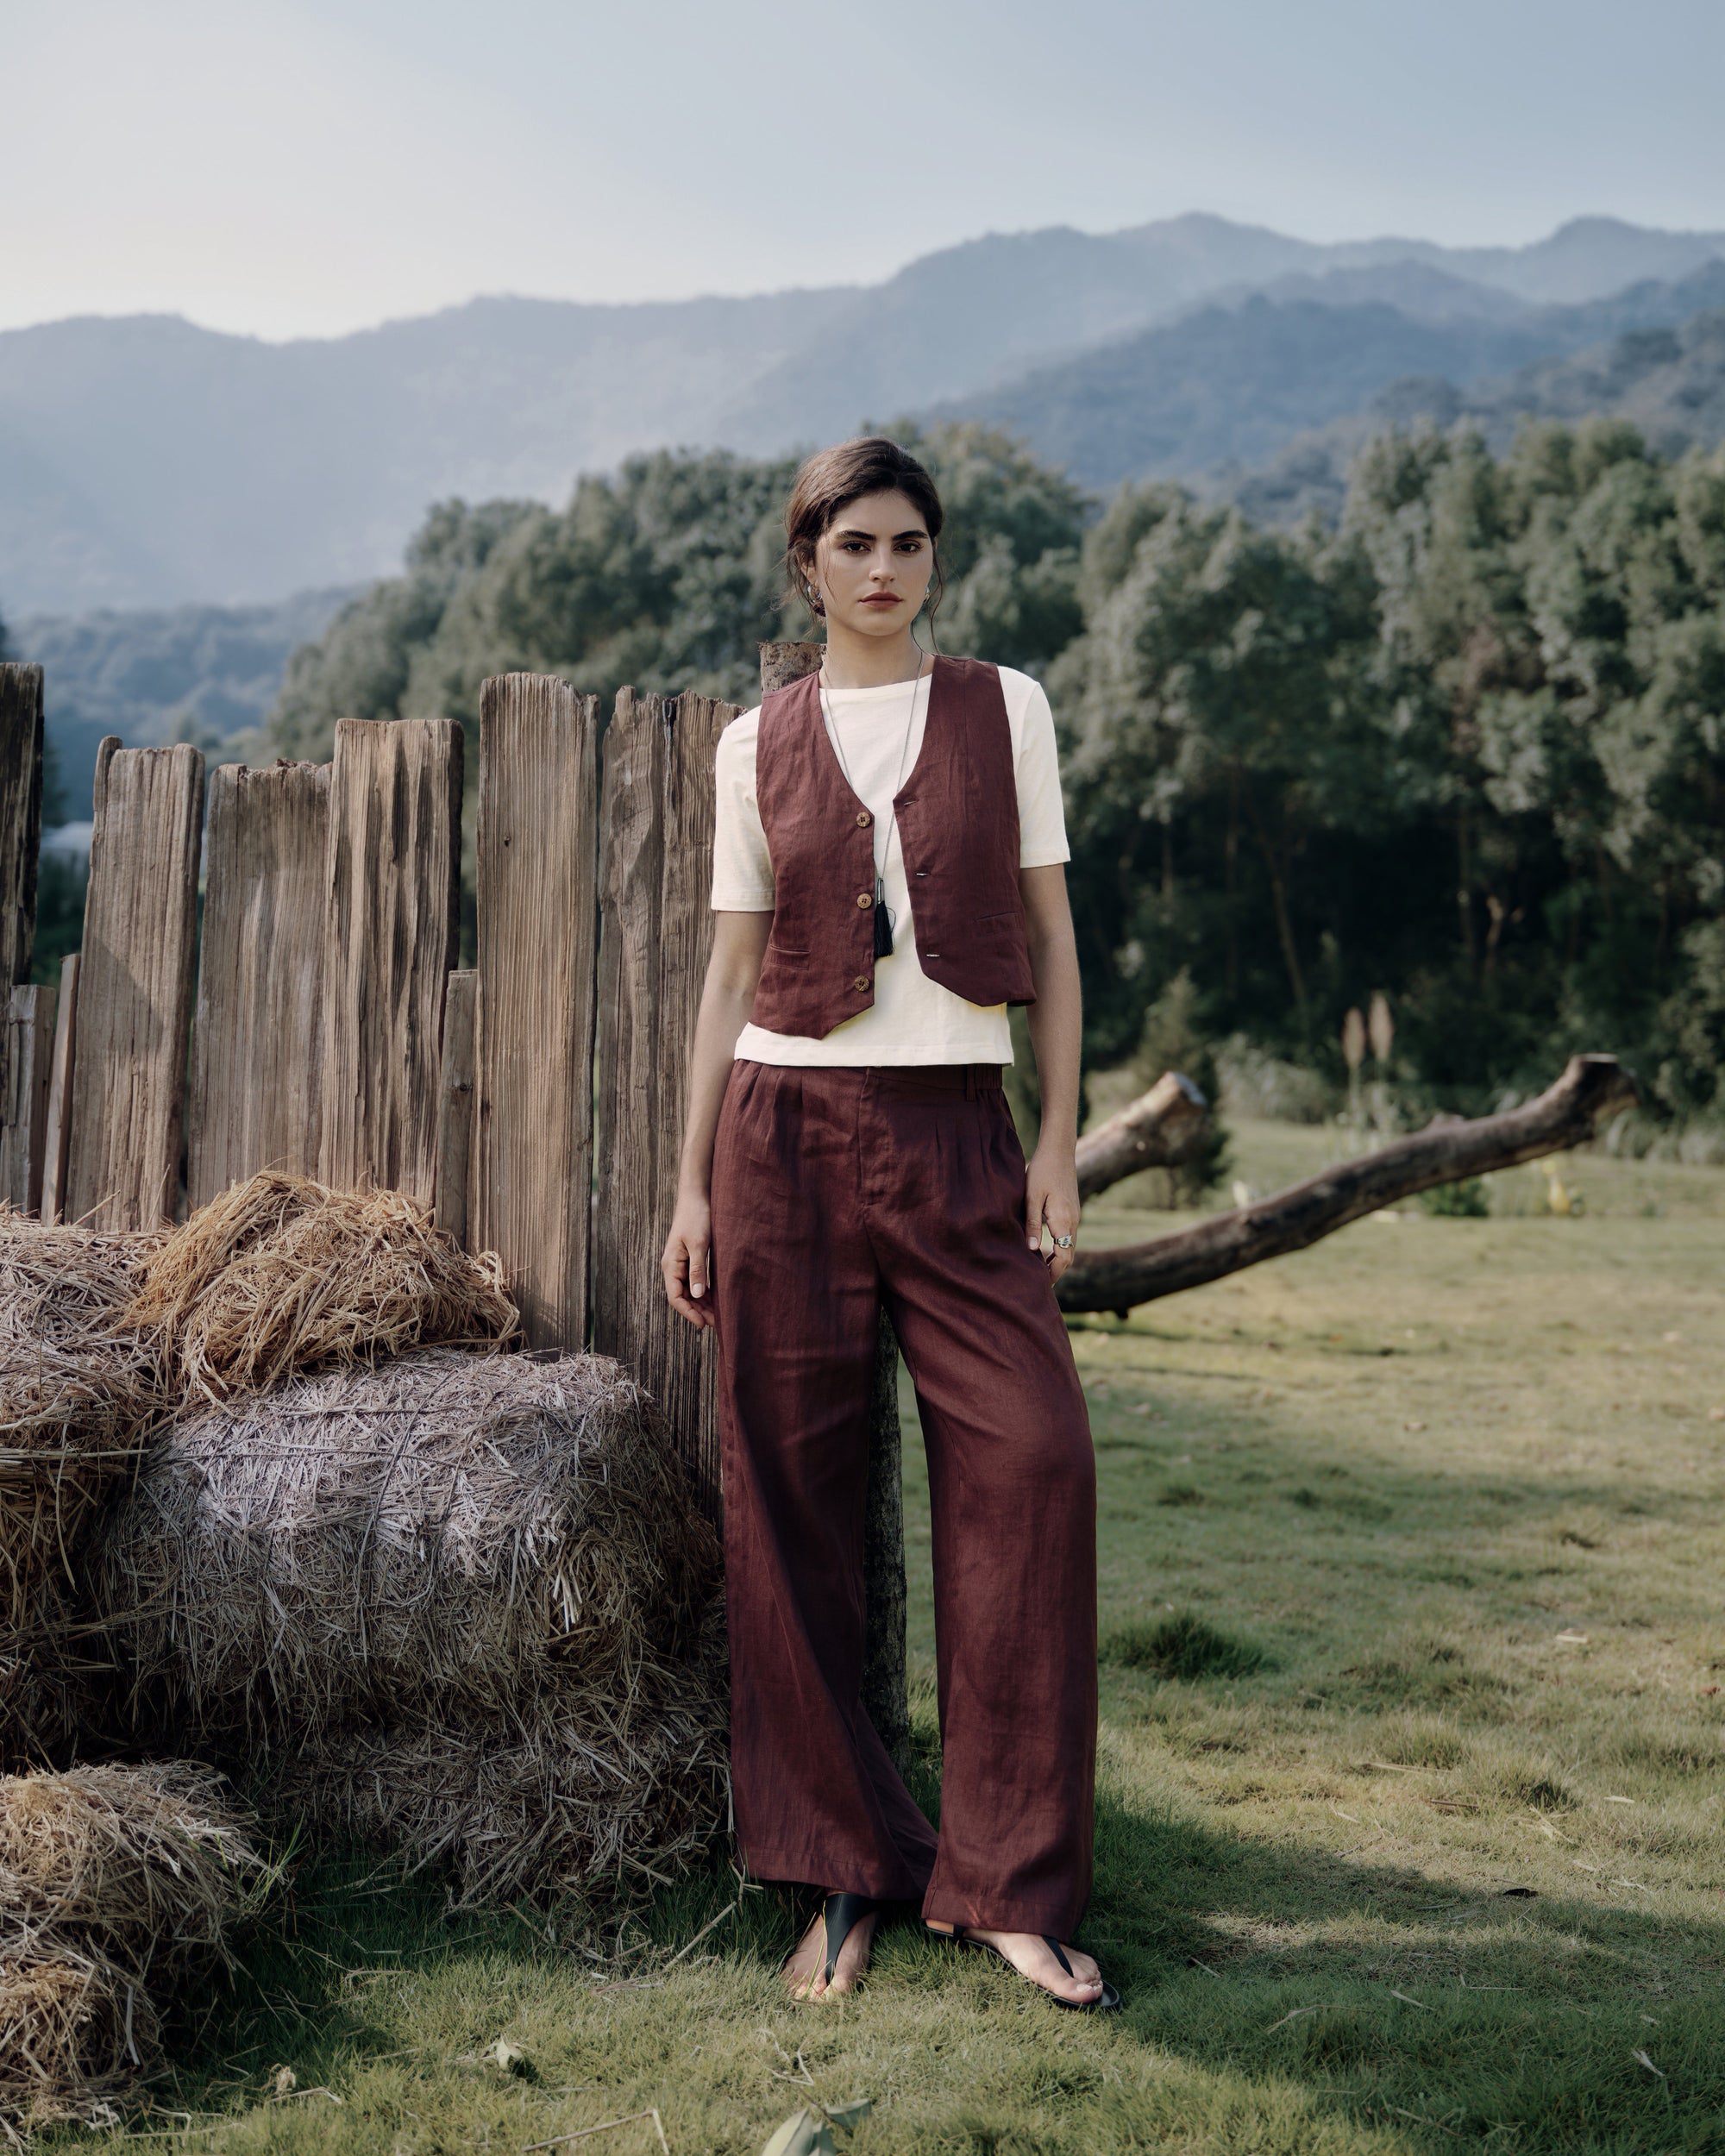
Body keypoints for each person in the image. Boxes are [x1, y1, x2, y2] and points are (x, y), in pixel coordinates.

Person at [661, 436, 1115, 2012]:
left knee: (1035, 1462)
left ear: (935, 561)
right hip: (781, 1136)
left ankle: (1006, 1883)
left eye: (909, 543)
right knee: (786, 1506)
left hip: (958, 1133)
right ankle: (842, 1873)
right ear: (809, 563)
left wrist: (1057, 1139)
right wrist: (692, 1180)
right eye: (854, 542)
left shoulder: (1010, 710)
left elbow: (1052, 937)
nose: (883, 568)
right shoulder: (751, 744)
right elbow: (729, 975)